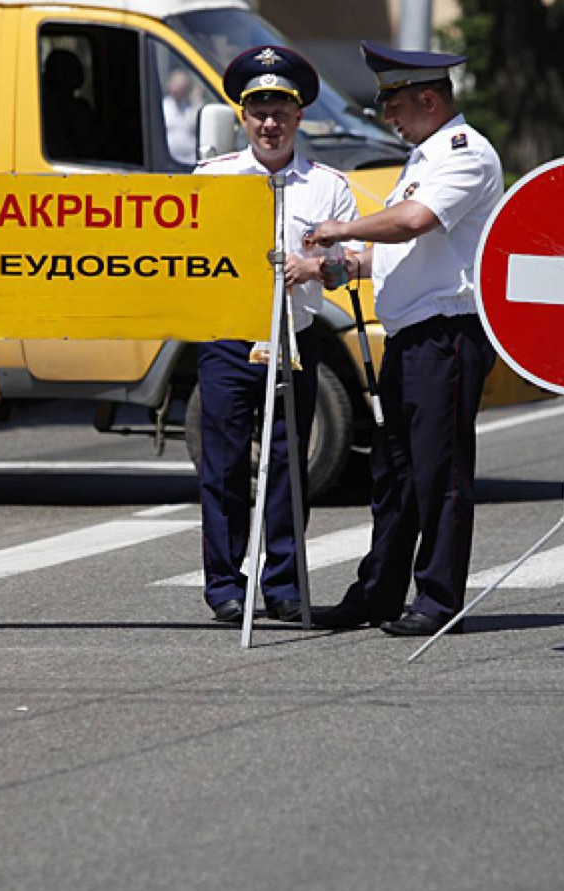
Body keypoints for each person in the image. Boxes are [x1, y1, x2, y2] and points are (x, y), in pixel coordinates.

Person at [305, 43, 502, 637]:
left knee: (438, 474)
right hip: (414, 337)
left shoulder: (465, 154)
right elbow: (403, 251)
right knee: (394, 475)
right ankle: (379, 592)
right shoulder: (423, 157)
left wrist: (341, 226)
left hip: (447, 335)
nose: (387, 115)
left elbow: (415, 223)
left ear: (427, 97)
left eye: (393, 103)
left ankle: (439, 600)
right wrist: (334, 265)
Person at [194, 45, 359, 623]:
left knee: (289, 465)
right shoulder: (211, 179)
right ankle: (224, 584)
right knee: (223, 464)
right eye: (258, 111)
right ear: (242, 116)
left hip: (296, 336)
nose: (269, 123)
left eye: (280, 112)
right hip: (228, 339)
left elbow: (347, 267)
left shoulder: (327, 186)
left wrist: (316, 267)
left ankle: (284, 584)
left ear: (298, 117)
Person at [163, 68, 202, 165]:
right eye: (175, 84)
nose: (177, 89)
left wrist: (197, 100)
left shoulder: (192, 107)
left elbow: (197, 125)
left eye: (181, 86)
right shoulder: (163, 107)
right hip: (168, 164)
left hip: (190, 162)